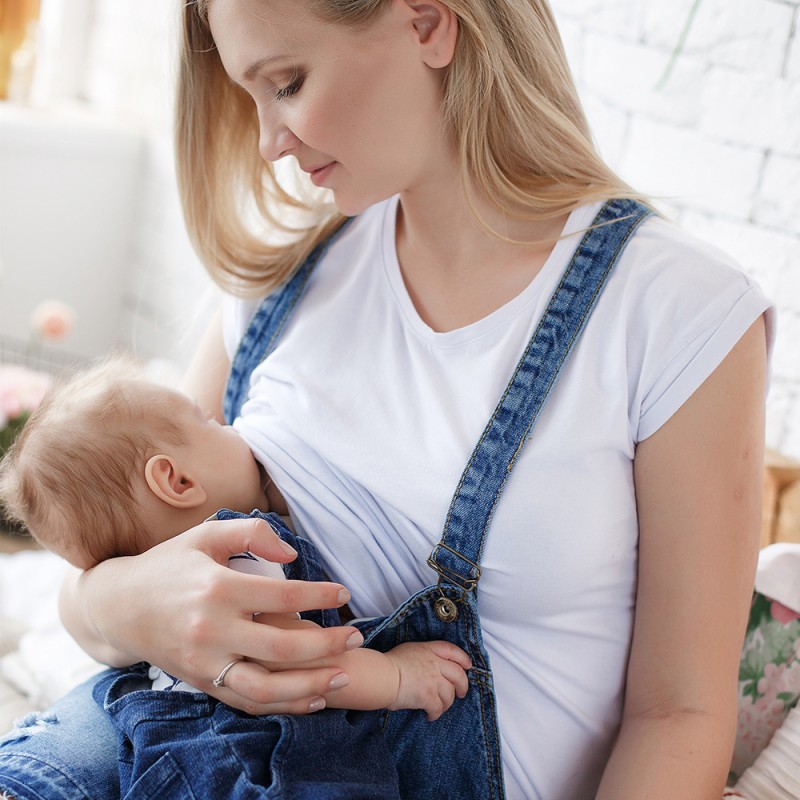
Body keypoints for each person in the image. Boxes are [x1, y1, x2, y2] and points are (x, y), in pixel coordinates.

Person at [0, 1, 776, 798]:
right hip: (152, 739)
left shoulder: (677, 311)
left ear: (430, 24)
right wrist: (120, 604)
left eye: (289, 83)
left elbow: (680, 717)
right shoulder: (288, 271)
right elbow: (117, 534)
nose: (269, 142)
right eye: (252, 98)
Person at [0, 358, 471, 798]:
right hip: (251, 766)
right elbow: (301, 665)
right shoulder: (240, 551)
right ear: (178, 482)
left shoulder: (167, 579)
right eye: (209, 424)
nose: (228, 424)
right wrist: (397, 676)